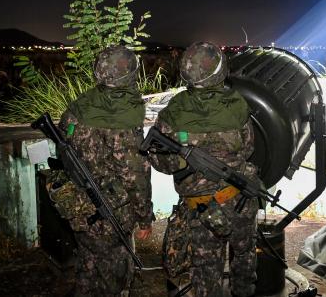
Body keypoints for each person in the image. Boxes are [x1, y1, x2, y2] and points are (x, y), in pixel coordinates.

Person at [149, 42, 258, 297]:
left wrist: (184, 162)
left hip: (200, 207)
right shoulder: (237, 103)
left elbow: (159, 161)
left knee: (205, 270)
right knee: (244, 258)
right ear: (220, 70)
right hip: (239, 199)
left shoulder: (173, 110)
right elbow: (247, 149)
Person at [53, 45, 154, 296]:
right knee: (115, 278)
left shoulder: (78, 106)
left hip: (78, 207)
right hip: (110, 213)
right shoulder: (122, 114)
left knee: (88, 268)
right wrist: (144, 217)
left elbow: (62, 151)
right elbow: (134, 174)